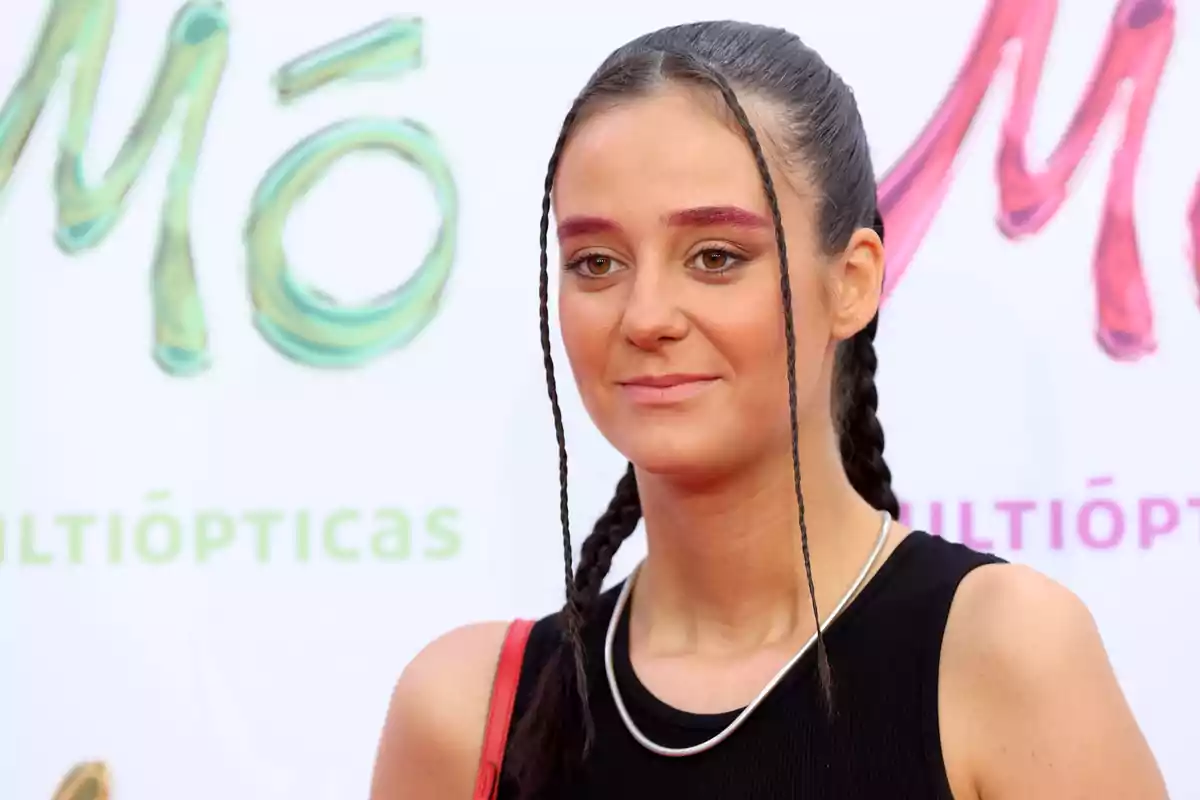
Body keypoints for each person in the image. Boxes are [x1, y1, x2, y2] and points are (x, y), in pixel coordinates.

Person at [369, 20, 1166, 800]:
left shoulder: (1002, 657)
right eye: (597, 262)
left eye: (715, 257)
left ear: (853, 281)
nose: (646, 316)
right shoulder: (471, 713)